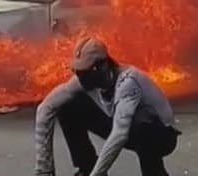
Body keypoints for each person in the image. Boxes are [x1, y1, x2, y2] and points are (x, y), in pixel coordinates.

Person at [34, 37, 180, 176]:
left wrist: (97, 174)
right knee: (67, 107)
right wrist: (44, 170)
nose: (80, 77)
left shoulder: (128, 83)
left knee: (144, 125)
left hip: (161, 135)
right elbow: (46, 108)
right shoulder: (82, 80)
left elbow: (119, 135)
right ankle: (86, 167)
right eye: (77, 72)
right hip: (123, 126)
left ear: (102, 66)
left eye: (85, 71)